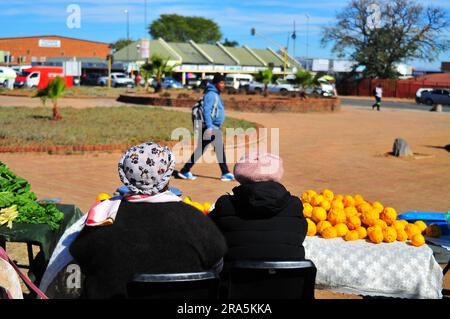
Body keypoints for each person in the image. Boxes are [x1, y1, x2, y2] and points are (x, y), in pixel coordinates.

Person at [68, 142, 227, 299]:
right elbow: (217, 263)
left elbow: (81, 258)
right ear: (166, 175)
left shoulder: (103, 219)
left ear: (125, 176)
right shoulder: (196, 219)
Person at [208, 152, 308, 262]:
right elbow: (299, 234)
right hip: (289, 277)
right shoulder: (294, 206)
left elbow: (207, 234)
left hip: (237, 277)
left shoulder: (225, 205)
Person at [178, 73, 235, 182]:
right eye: (221, 82)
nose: (223, 85)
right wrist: (209, 127)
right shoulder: (211, 94)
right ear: (216, 83)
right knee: (203, 149)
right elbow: (206, 111)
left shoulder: (215, 94)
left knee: (217, 149)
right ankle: (184, 171)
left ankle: (225, 172)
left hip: (214, 127)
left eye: (224, 83)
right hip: (210, 127)